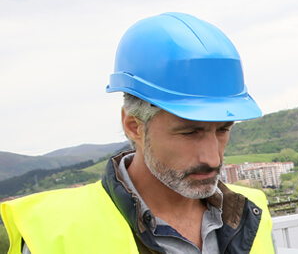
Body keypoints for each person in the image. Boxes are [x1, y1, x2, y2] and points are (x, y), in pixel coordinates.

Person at [1, 13, 274, 253]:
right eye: (190, 132)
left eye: (223, 130)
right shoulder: (55, 234)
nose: (213, 158)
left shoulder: (251, 212)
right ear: (134, 126)